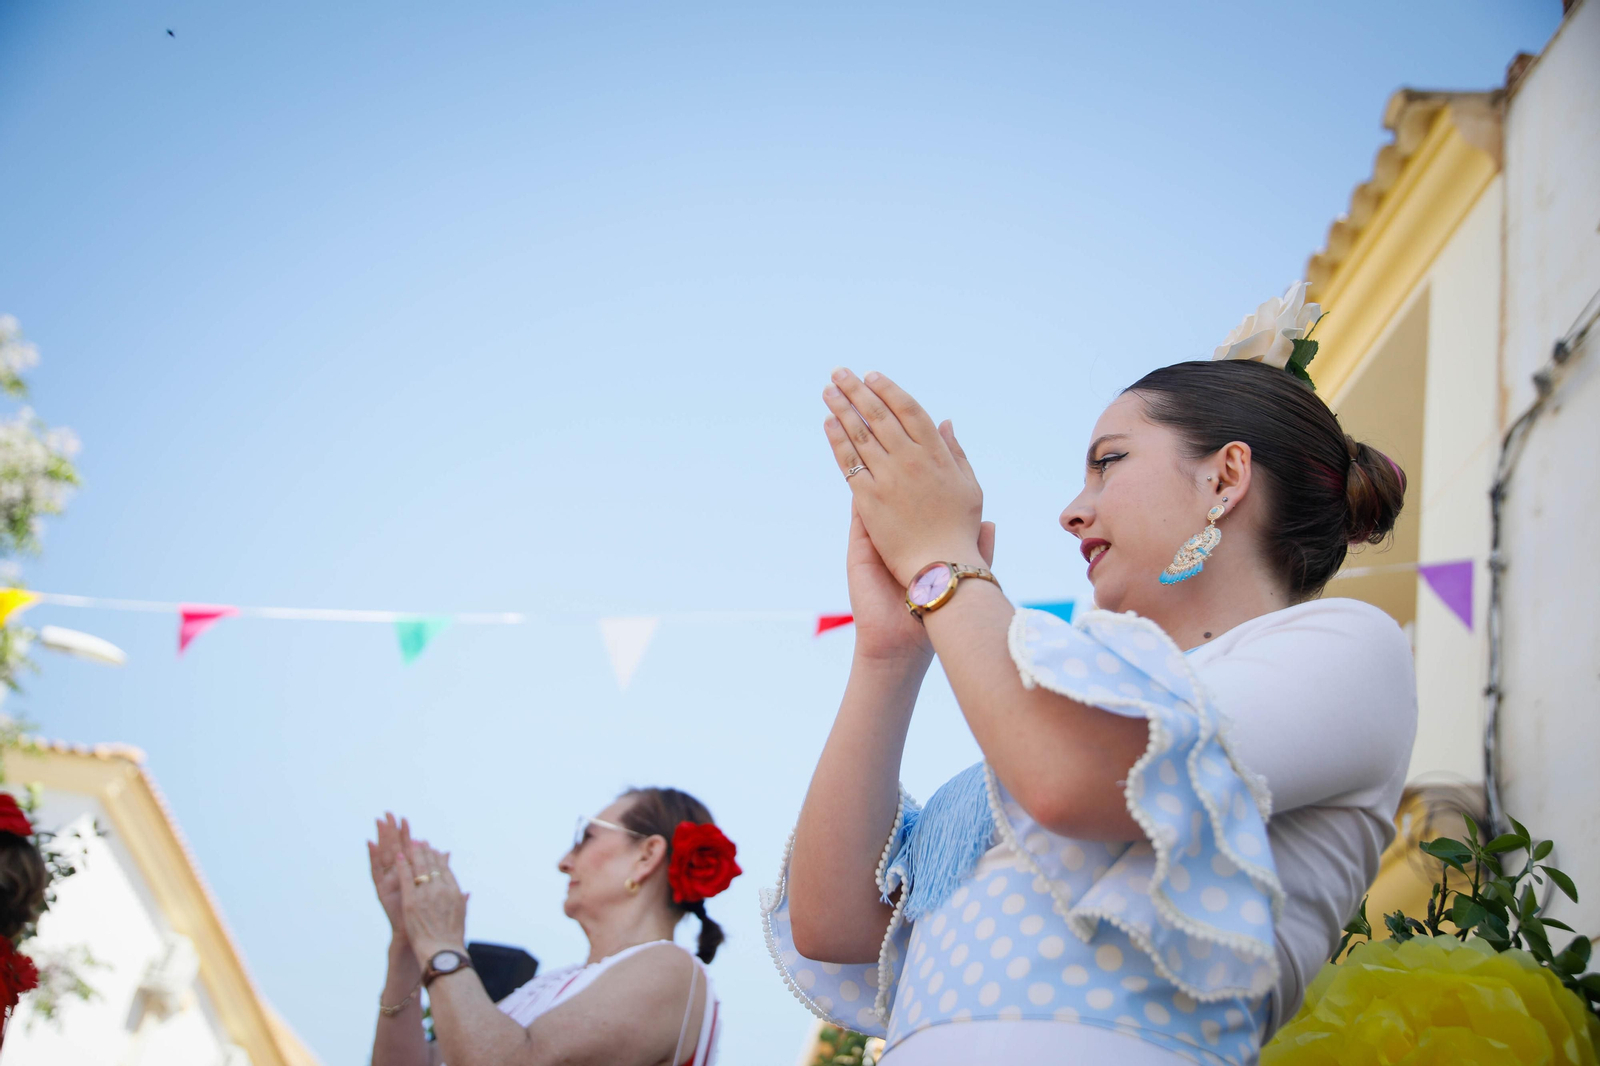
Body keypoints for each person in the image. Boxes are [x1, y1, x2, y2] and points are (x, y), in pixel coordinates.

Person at [762, 283, 1418, 1065]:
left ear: (1225, 478)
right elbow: (834, 924)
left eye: (1109, 463)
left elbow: (1070, 779)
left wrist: (945, 562)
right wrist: (889, 651)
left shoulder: (1350, 647)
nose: (1073, 510)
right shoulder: (1045, 728)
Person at [370, 786, 740, 1066]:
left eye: (586, 838)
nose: (564, 862)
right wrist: (407, 941)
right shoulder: (555, 985)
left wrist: (440, 942)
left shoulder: (670, 968)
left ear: (647, 856)